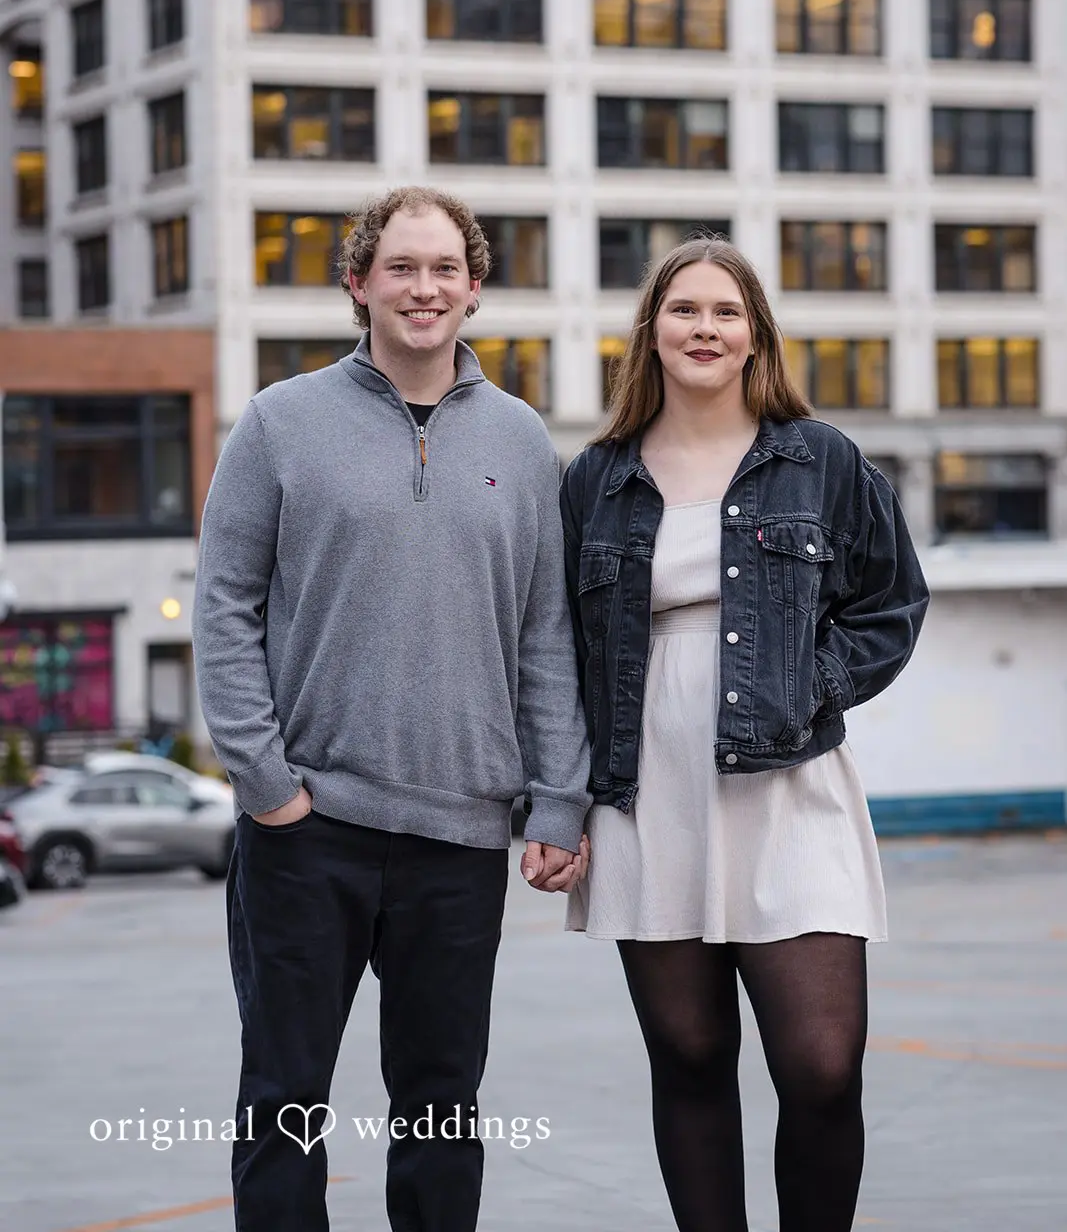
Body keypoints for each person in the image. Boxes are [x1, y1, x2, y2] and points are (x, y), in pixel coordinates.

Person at [192, 186, 591, 1232]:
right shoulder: (280, 422)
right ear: (359, 282)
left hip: (459, 836)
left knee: (440, 1108)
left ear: (474, 289)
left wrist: (558, 801)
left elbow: (546, 635)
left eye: (444, 268)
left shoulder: (520, 436)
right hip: (306, 830)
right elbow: (223, 607)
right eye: (401, 267)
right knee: (283, 1101)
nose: (424, 287)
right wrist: (267, 785)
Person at [562, 236, 929, 1232]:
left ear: (755, 335)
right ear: (651, 332)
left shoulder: (819, 461)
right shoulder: (594, 476)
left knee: (819, 1065)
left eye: (725, 312)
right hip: (646, 793)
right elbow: (553, 648)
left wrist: (806, 688)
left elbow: (890, 601)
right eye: (683, 310)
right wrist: (554, 803)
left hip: (788, 787)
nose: (704, 328)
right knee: (685, 1061)